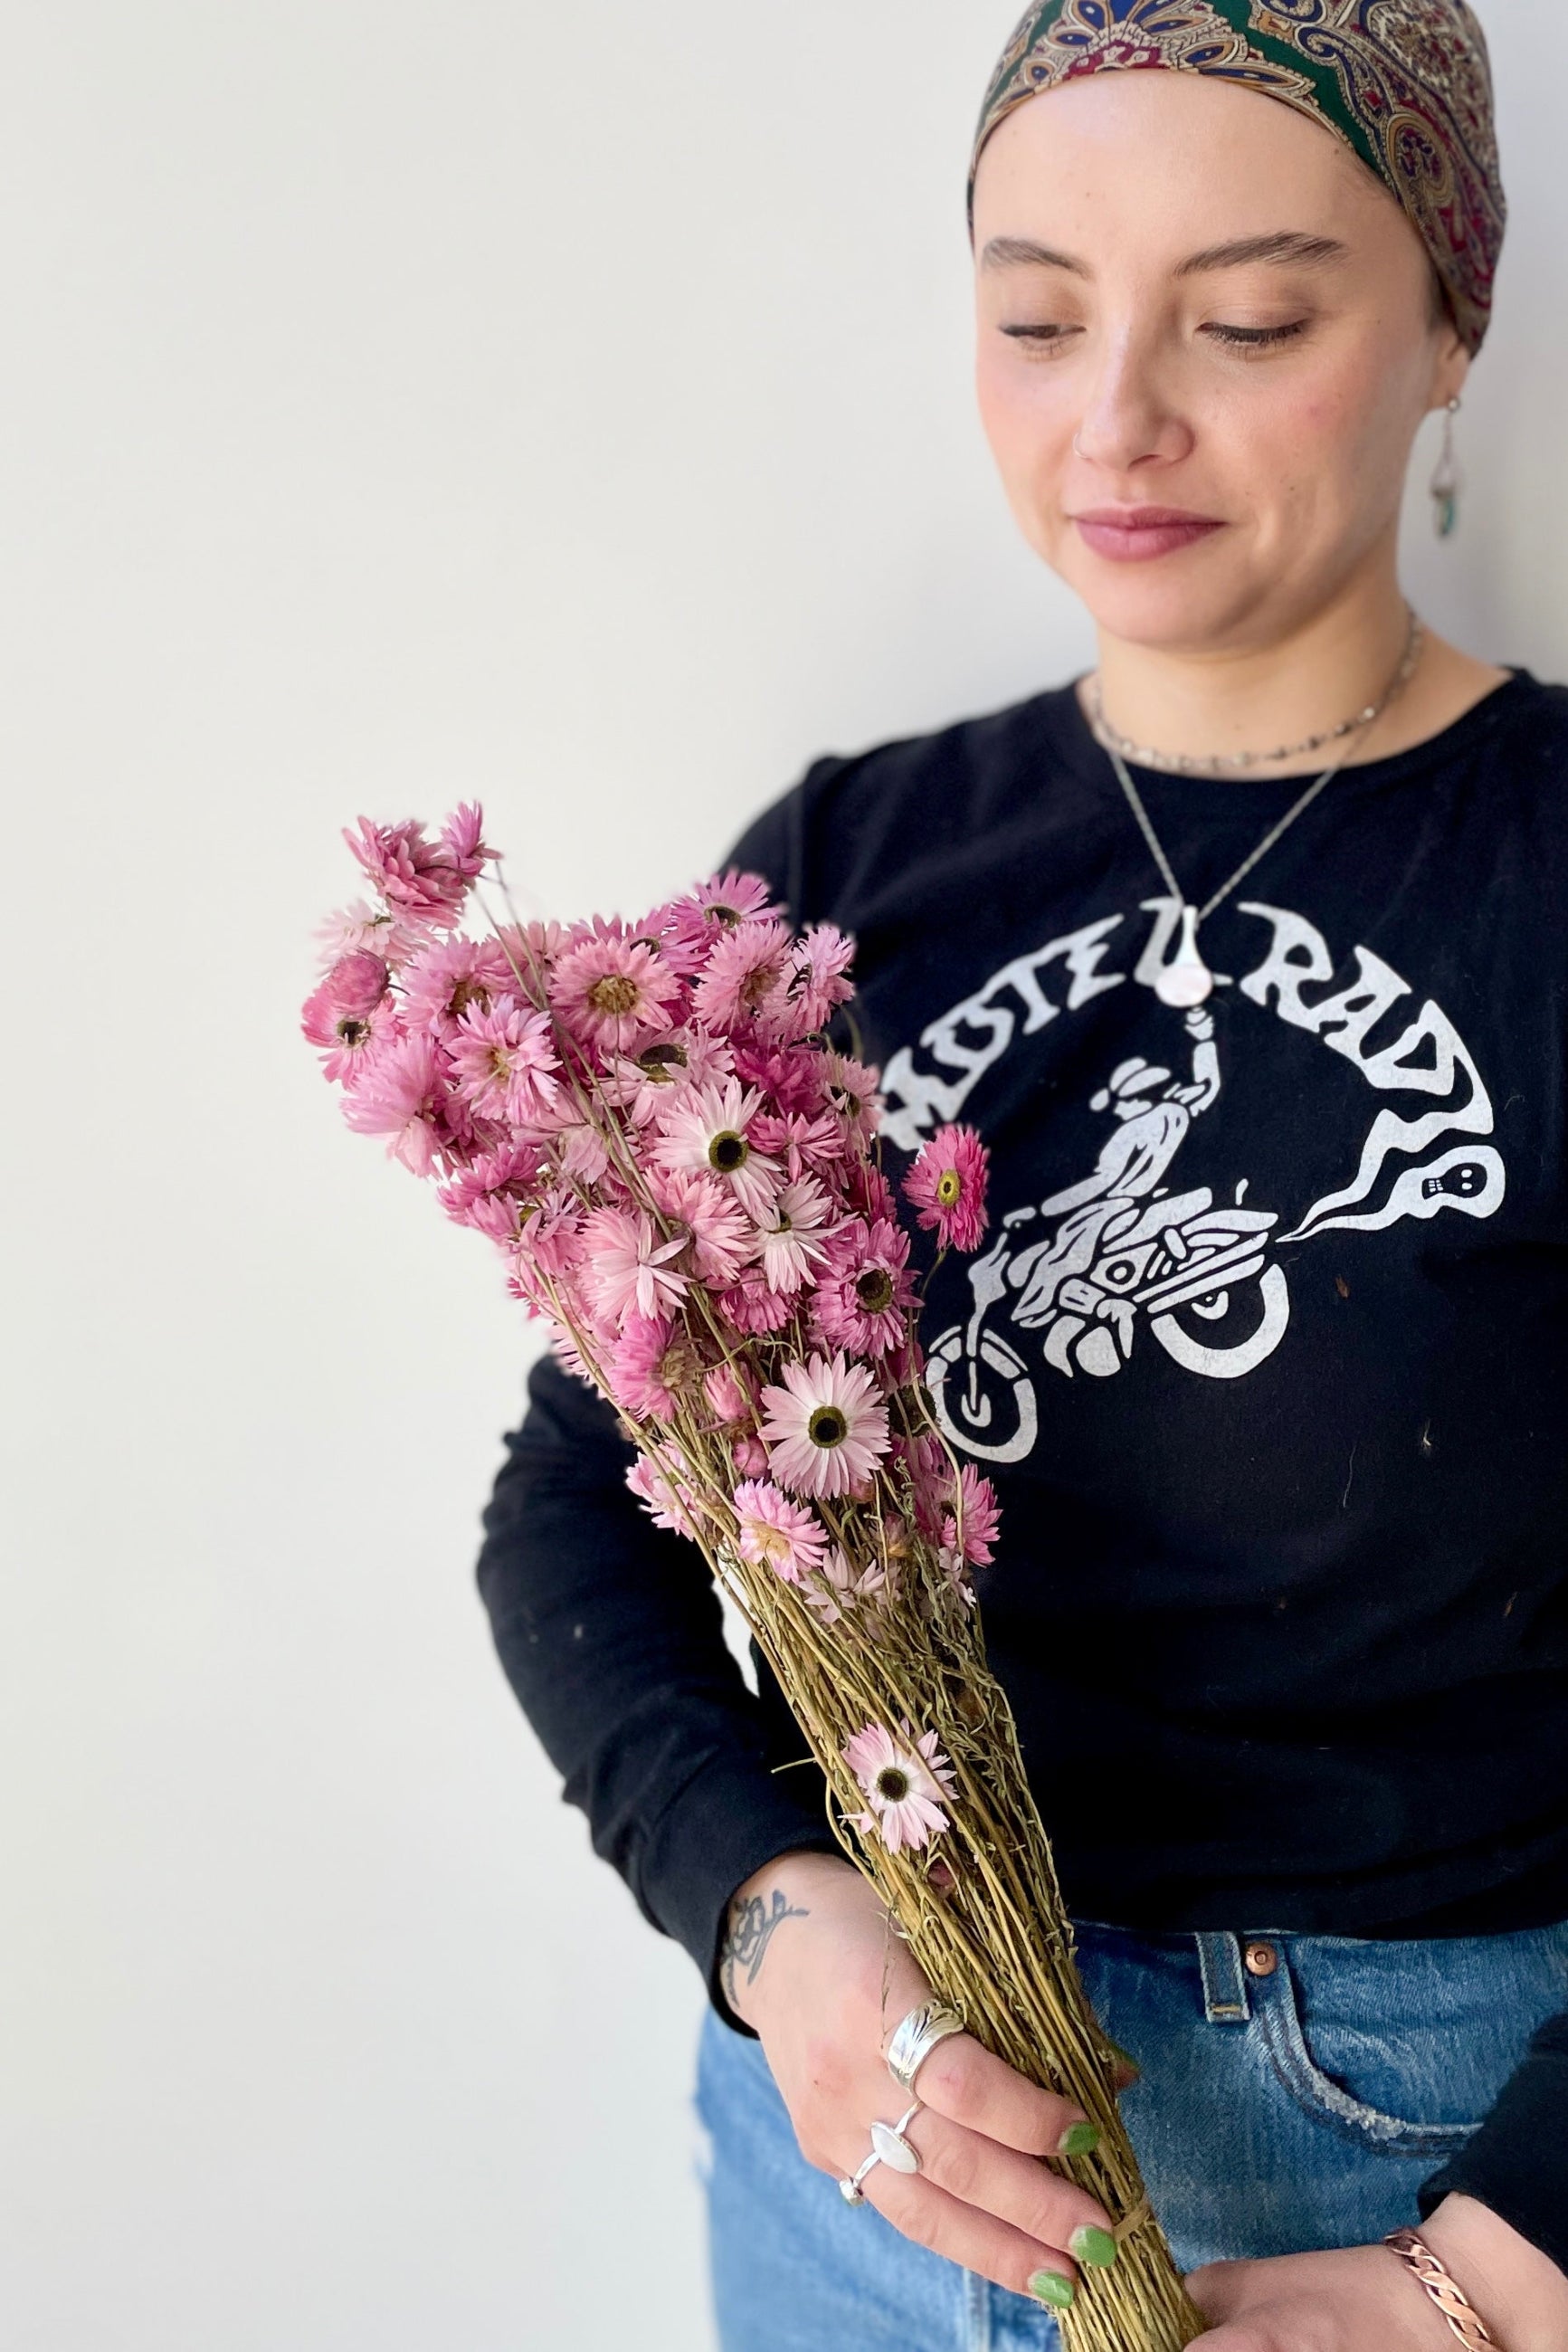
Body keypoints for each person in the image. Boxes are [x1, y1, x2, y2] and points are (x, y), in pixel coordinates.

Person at [476, 5, 1568, 2346]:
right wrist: (776, 1917)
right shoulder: (851, 877)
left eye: (1251, 319)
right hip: (867, 2154)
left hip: (1414, 2162)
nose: (1117, 420)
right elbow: (579, 1506)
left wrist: (1494, 2270)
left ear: (1453, 318)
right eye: (1037, 315)